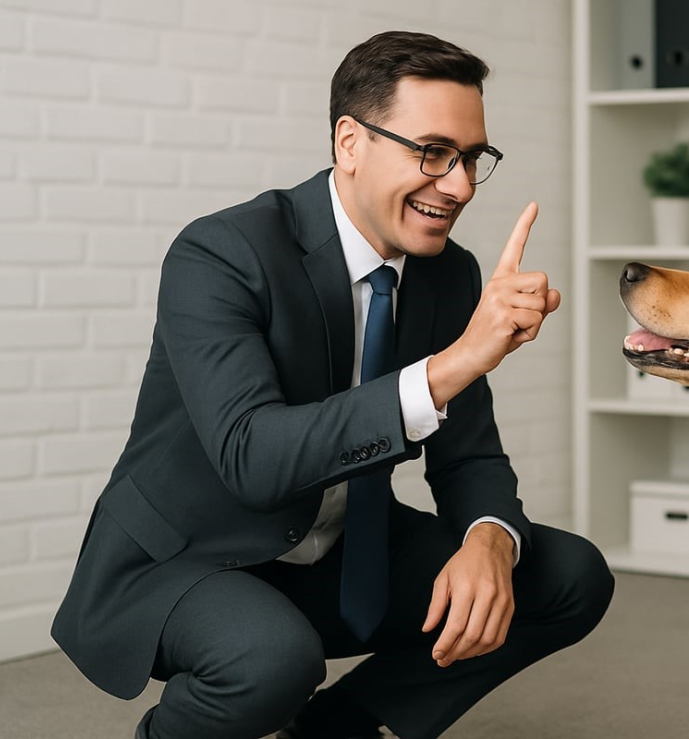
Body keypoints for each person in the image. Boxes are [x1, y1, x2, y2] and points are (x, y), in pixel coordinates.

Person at [51, 30, 614, 739]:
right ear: (351, 142)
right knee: (271, 658)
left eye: (472, 157)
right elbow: (253, 458)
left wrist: (488, 542)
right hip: (188, 556)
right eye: (432, 152)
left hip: (340, 547)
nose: (461, 184)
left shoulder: (449, 275)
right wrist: (455, 363)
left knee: (567, 574)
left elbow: (468, 455)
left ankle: (332, 730)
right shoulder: (222, 253)